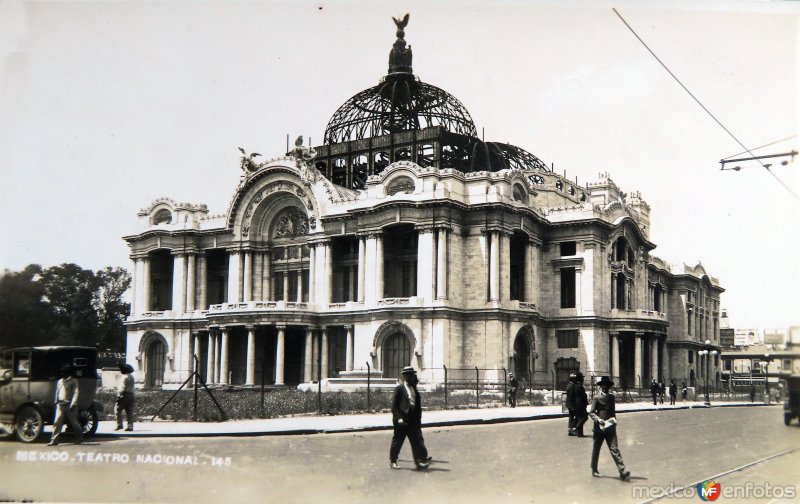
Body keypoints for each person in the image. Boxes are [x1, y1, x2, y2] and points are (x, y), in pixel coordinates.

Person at [588, 376, 630, 481]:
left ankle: (622, 470)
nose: (605, 387)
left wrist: (614, 422)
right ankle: (594, 469)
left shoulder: (611, 397)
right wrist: (598, 419)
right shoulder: (597, 398)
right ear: (601, 386)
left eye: (607, 385)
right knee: (596, 449)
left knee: (614, 448)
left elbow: (612, 412)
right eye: (604, 385)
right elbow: (591, 412)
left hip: (610, 427)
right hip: (599, 428)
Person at [390, 366, 431, 470]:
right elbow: (394, 406)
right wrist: (399, 418)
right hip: (402, 420)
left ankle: (418, 462)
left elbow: (417, 405)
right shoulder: (399, 389)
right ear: (404, 376)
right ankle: (393, 461)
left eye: (411, 375)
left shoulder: (414, 389)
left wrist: (418, 420)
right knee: (397, 442)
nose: (410, 377)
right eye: (408, 375)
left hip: (412, 420)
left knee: (415, 442)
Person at [48, 364, 83, 446]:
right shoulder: (60, 381)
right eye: (61, 372)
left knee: (74, 423)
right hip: (60, 404)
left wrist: (73, 404)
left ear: (68, 373)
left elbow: (76, 393)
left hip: (70, 405)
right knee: (57, 422)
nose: (62, 373)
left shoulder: (73, 381)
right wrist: (56, 401)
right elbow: (57, 391)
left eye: (64, 372)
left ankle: (79, 438)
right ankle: (54, 440)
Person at [115, 363, 136, 431]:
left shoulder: (124, 377)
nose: (121, 370)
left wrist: (119, 396)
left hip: (125, 395)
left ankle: (119, 425)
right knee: (129, 411)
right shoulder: (132, 377)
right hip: (131, 395)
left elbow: (123, 388)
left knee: (118, 409)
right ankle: (130, 426)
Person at [572, 372, 589, 437]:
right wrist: (586, 402)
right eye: (582, 378)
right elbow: (583, 396)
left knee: (580, 417)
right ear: (580, 379)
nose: (583, 380)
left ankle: (580, 433)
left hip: (577, 404)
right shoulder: (580, 386)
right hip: (581, 404)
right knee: (584, 417)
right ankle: (577, 427)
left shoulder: (575, 386)